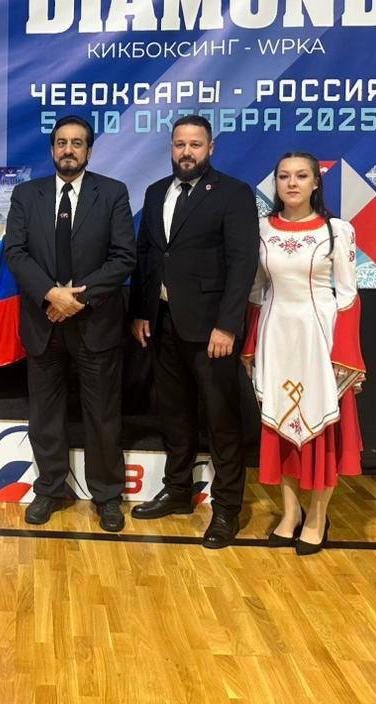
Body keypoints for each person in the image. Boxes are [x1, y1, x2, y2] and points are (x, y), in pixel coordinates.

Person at [129, 115, 259, 548]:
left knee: (221, 421)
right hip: (163, 323)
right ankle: (178, 491)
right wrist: (141, 311)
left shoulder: (234, 193)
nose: (187, 152)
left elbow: (243, 263)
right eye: (180, 144)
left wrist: (228, 324)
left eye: (196, 144)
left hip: (212, 331)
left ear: (211, 148)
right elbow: (147, 257)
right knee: (174, 414)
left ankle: (226, 509)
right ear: (171, 147)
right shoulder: (155, 192)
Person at [2, 115, 135, 532]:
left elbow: (123, 258)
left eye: (77, 143)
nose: (68, 150)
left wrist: (76, 299)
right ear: (52, 149)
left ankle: (107, 497)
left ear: (89, 150)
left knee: (103, 416)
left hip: (95, 322)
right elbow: (15, 252)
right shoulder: (27, 194)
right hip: (43, 322)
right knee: (45, 416)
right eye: (61, 142)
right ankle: (49, 489)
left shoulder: (112, 193)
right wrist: (51, 294)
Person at [241, 153, 365, 555]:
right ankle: (290, 514)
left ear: (316, 182)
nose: (291, 183)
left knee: (321, 425)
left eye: (301, 176)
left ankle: (317, 517)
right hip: (276, 336)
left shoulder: (336, 231)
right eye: (284, 176)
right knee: (280, 423)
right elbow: (256, 292)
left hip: (319, 338)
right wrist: (251, 343)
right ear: (276, 183)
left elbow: (348, 296)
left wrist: (346, 354)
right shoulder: (260, 230)